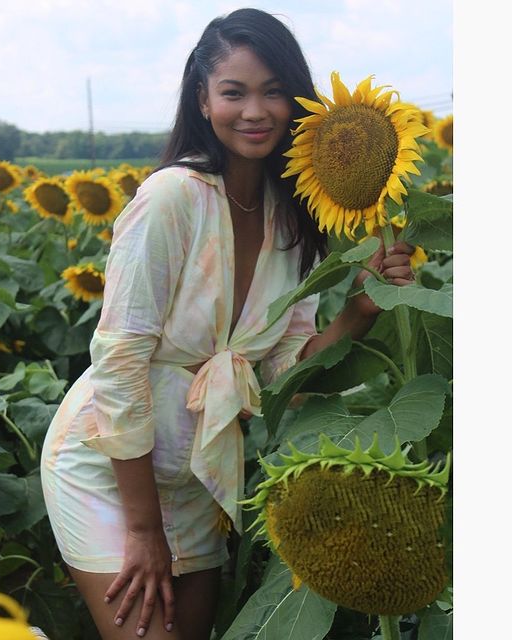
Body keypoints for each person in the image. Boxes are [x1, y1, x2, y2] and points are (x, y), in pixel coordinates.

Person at [40, 8, 416, 640]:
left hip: (199, 474)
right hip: (109, 471)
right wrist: (142, 530)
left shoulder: (291, 218)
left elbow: (285, 379)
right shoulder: (171, 198)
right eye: (234, 92)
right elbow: (121, 360)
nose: (256, 111)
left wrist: (356, 312)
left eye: (273, 91)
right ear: (203, 99)